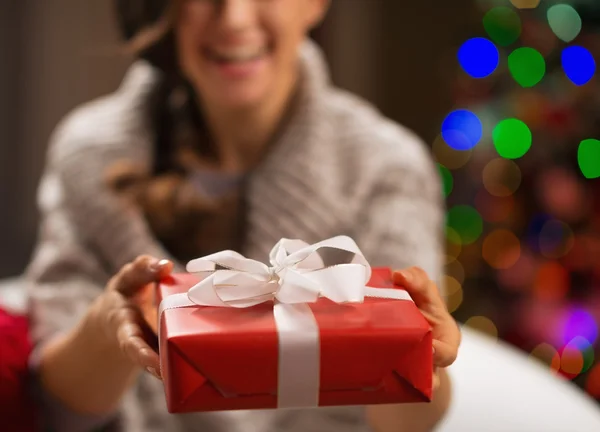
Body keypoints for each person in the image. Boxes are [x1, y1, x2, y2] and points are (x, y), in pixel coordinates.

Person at [26, 0, 461, 431]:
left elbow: (403, 423)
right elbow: (58, 407)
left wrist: (423, 361)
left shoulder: (386, 165)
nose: (234, 18)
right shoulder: (86, 154)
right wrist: (109, 327)